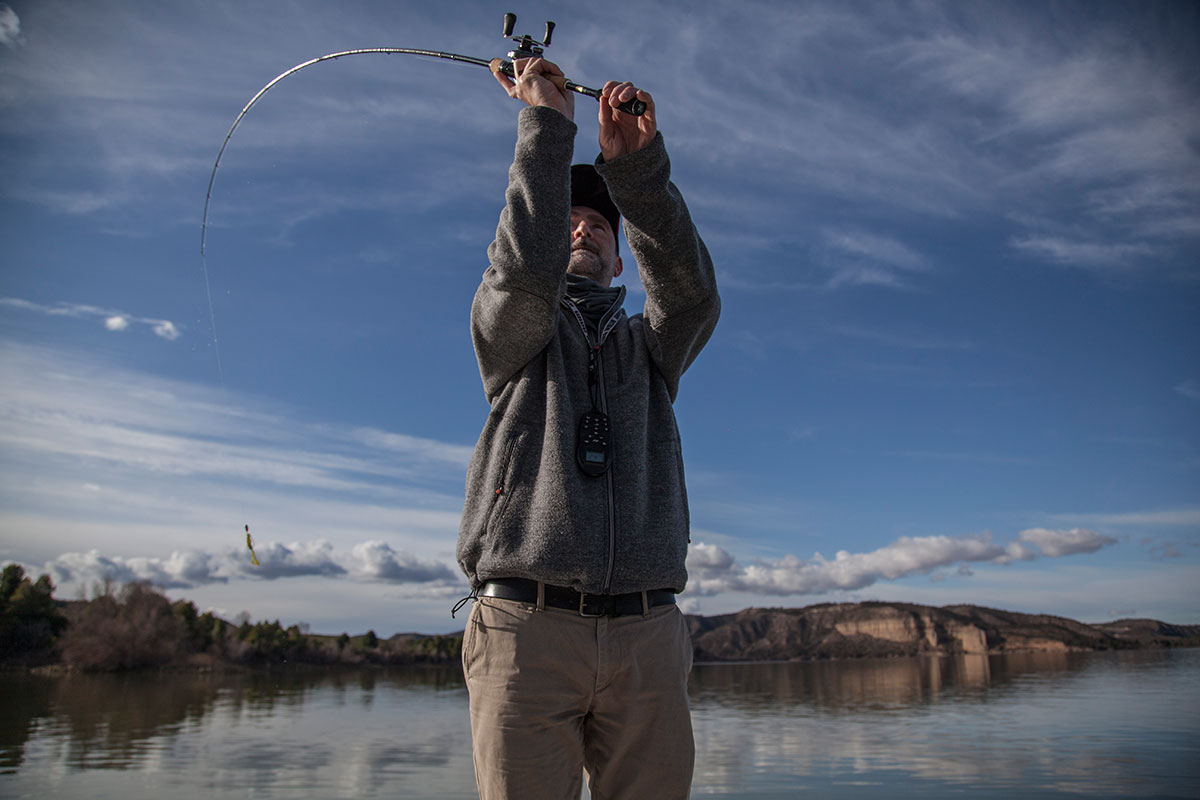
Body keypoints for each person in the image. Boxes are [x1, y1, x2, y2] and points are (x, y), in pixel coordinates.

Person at [455, 55, 719, 800]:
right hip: (523, 627)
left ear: (620, 256)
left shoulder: (651, 345)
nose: (584, 227)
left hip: (648, 634)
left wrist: (636, 175)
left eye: (599, 225)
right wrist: (547, 126)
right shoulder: (511, 331)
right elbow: (521, 275)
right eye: (570, 219)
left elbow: (692, 295)